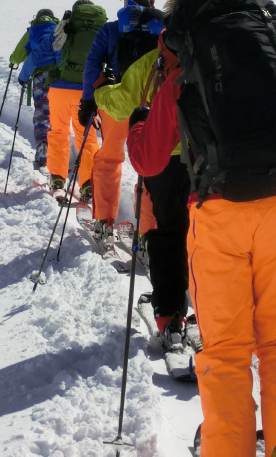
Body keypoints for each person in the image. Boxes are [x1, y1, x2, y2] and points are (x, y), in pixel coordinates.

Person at [127, 0, 276, 457]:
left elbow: (148, 161)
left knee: (226, 349)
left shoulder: (184, 72)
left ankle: (229, 447)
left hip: (217, 212)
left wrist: (137, 125)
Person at [95, 39, 193, 352]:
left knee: (168, 234)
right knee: (208, 236)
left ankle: (169, 319)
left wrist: (100, 91)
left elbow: (121, 103)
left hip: (164, 158)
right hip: (212, 160)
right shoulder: (218, 51)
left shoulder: (156, 59)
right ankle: (219, 315)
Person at [79, 0, 163, 242]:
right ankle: (148, 235)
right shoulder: (161, 28)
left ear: (127, 3)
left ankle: (104, 222)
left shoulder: (111, 29)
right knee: (150, 166)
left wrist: (88, 101)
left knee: (109, 159)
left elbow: (93, 64)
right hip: (152, 105)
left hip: (117, 103)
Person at [39, 0, 105, 201]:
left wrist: (28, 75)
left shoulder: (64, 26)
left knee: (58, 132)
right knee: (87, 136)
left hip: (60, 89)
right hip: (87, 92)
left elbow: (43, 52)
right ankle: (88, 184)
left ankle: (57, 178)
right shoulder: (101, 30)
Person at [9, 8, 59, 171]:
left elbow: (18, 55)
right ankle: (59, 152)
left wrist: (13, 61)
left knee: (42, 113)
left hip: (40, 78)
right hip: (58, 77)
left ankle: (43, 150)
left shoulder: (32, 30)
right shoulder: (59, 29)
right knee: (58, 114)